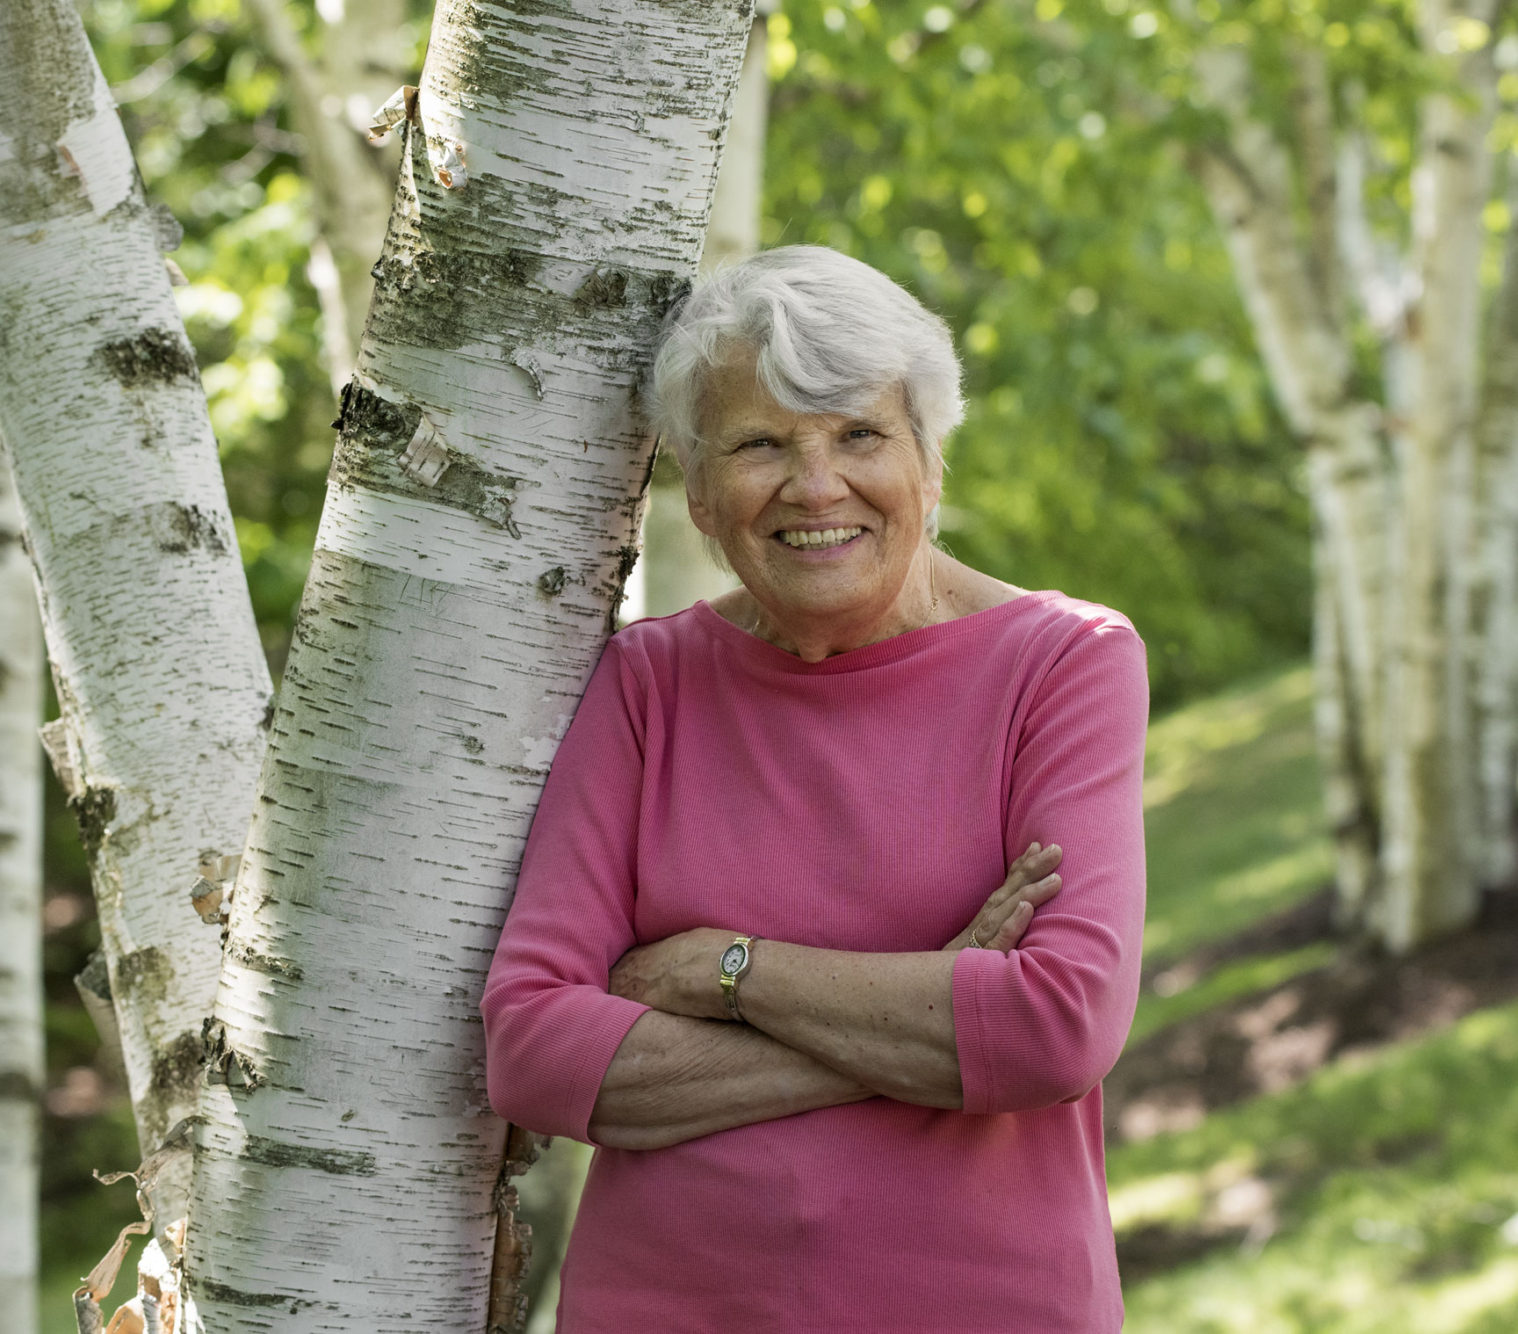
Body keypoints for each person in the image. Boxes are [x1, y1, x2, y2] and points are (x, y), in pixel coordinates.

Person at [481, 245, 1149, 1332]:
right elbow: (533, 1051)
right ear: (701, 494)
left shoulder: (1064, 662)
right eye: (760, 444)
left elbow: (1055, 1027)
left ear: (931, 462)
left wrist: (725, 969)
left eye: (859, 435)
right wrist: (938, 1004)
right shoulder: (648, 682)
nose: (816, 485)